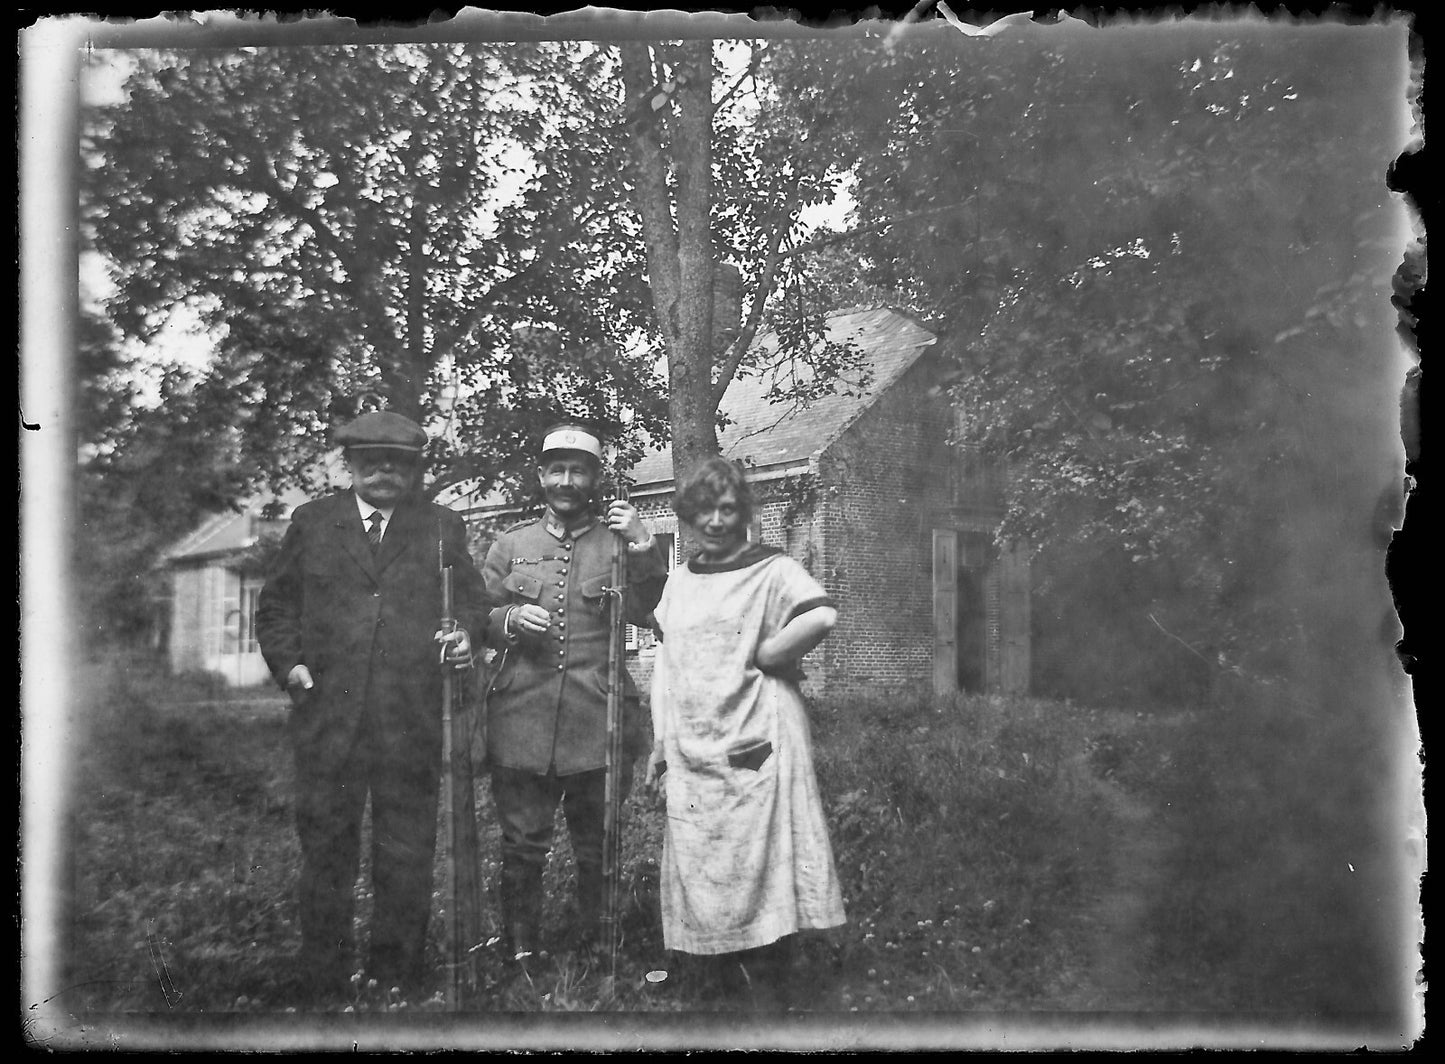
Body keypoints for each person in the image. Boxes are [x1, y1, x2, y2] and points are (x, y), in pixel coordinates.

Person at [256, 410, 485, 1003]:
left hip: (409, 719)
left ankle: (397, 974)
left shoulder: (441, 527)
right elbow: (276, 607)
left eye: (398, 461)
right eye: (371, 460)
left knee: (405, 852)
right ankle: (323, 978)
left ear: (414, 469)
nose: (384, 470)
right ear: (349, 464)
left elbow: (472, 606)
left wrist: (464, 634)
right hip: (327, 717)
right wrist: (290, 666)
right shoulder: (313, 523)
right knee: (327, 849)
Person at [644, 456, 846, 1008]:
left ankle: (771, 976)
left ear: (742, 513)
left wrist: (767, 652)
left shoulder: (773, 570)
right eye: (704, 510)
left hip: (762, 733)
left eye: (727, 509)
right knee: (702, 849)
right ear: (687, 514)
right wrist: (662, 738)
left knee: (765, 848)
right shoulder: (681, 581)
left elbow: (822, 615)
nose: (715, 520)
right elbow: (666, 656)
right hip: (694, 737)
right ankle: (712, 972)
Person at [480, 423, 668, 959]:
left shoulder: (618, 543)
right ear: (542, 477)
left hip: (599, 716)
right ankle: (521, 949)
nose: (567, 480)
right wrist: (510, 617)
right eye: (556, 470)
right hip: (521, 717)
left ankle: (600, 943)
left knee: (597, 843)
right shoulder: (511, 544)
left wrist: (643, 543)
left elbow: (646, 607)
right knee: (522, 843)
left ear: (594, 478)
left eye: (578, 470)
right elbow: (478, 616)